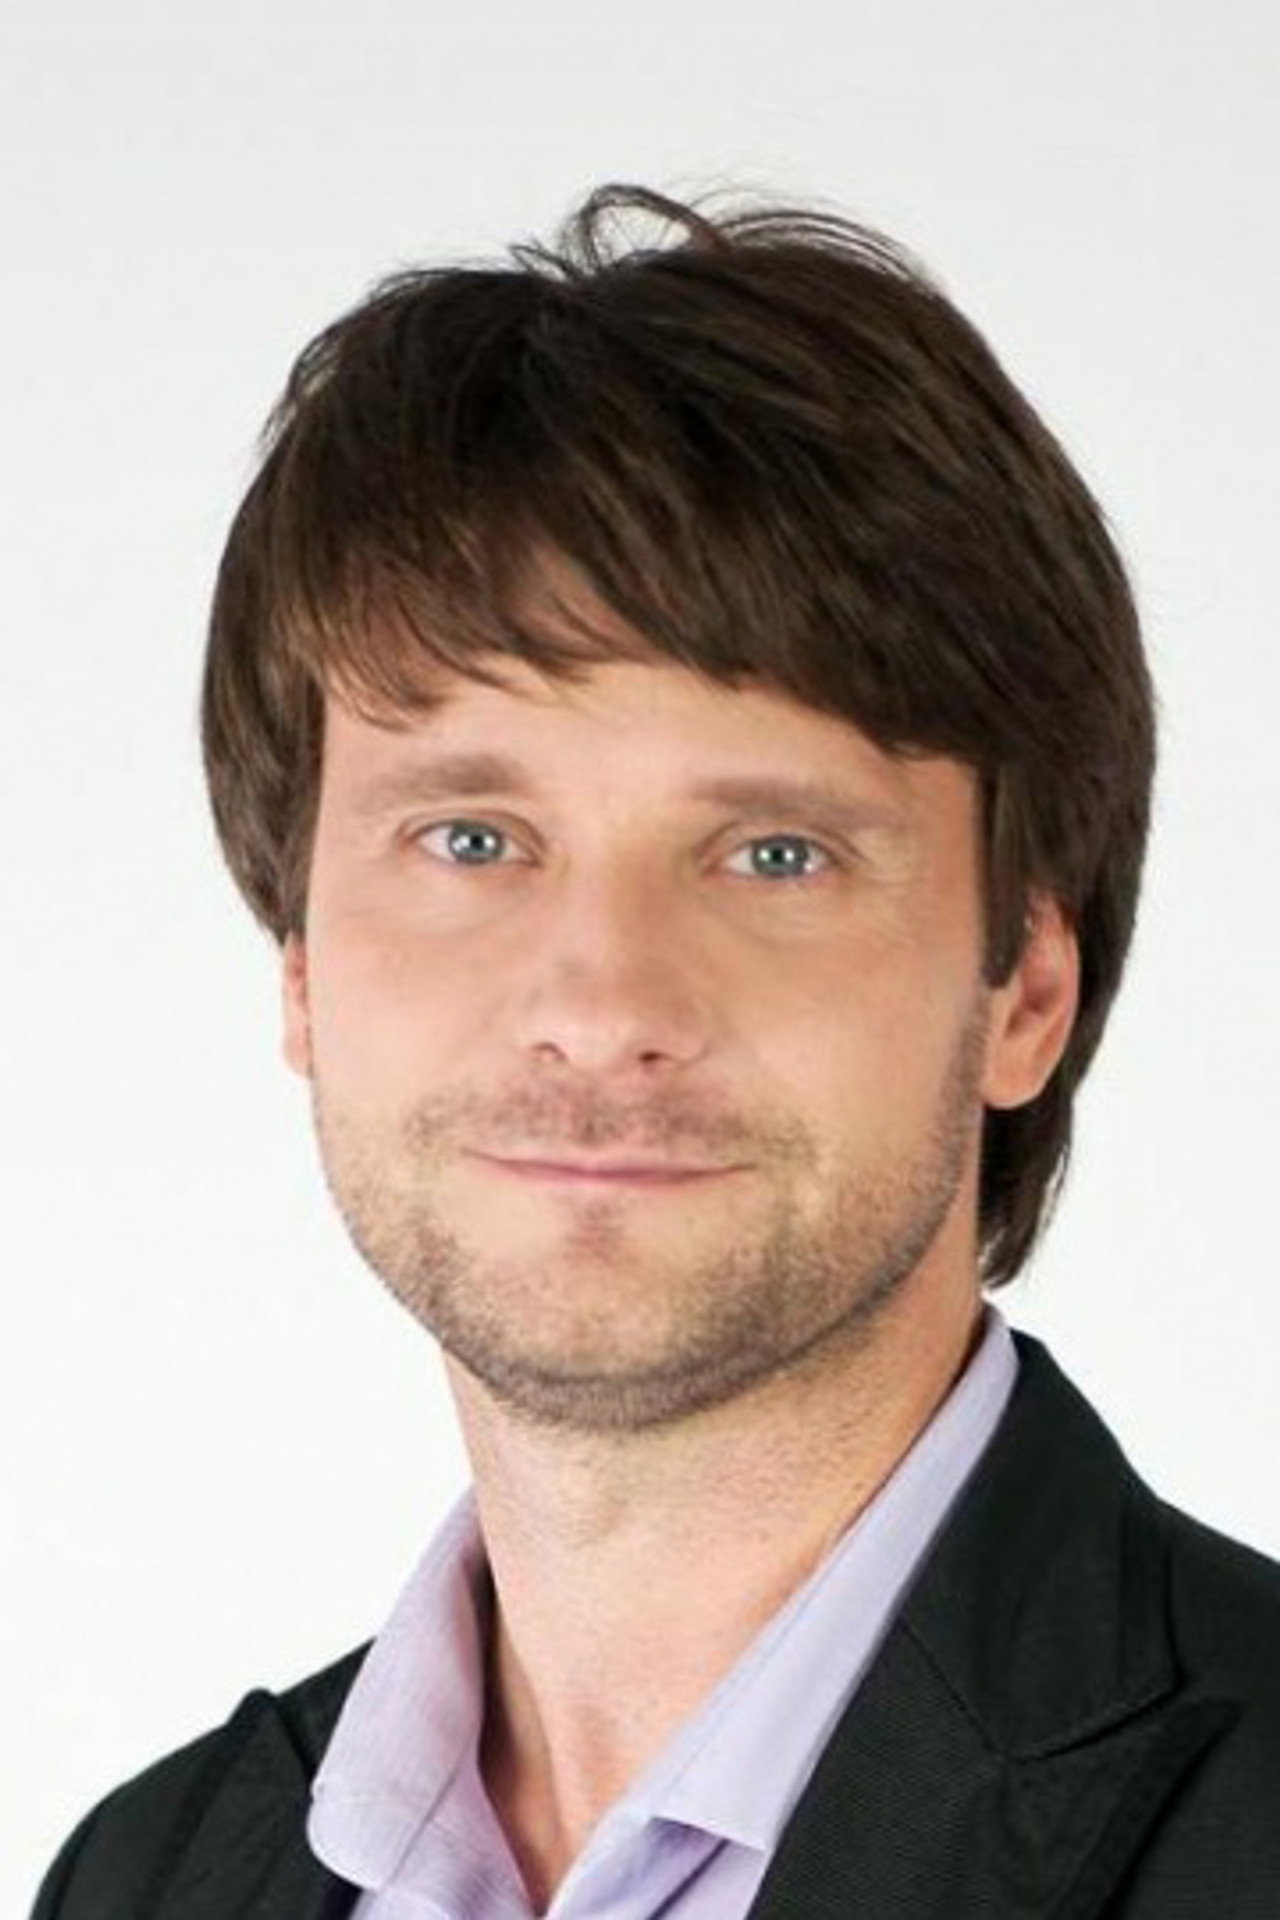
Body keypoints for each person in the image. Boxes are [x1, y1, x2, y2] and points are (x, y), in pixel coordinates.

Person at [33, 182, 1280, 1919]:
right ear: (301, 969)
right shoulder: (143, 1879)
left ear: (1024, 993)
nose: (603, 1004)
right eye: (471, 839)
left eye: (775, 855)